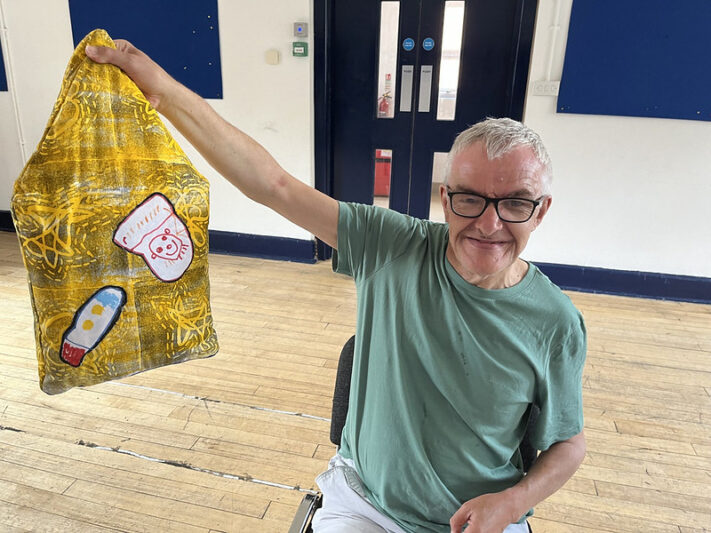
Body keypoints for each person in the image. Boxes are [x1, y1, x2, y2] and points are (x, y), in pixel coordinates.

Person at [86, 41, 587, 533]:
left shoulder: (554, 322)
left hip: (482, 519)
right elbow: (272, 184)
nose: (490, 223)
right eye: (470, 200)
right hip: (365, 505)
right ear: (444, 197)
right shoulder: (392, 245)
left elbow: (569, 443)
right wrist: (164, 92)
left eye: (516, 204)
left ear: (541, 211)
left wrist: (512, 502)